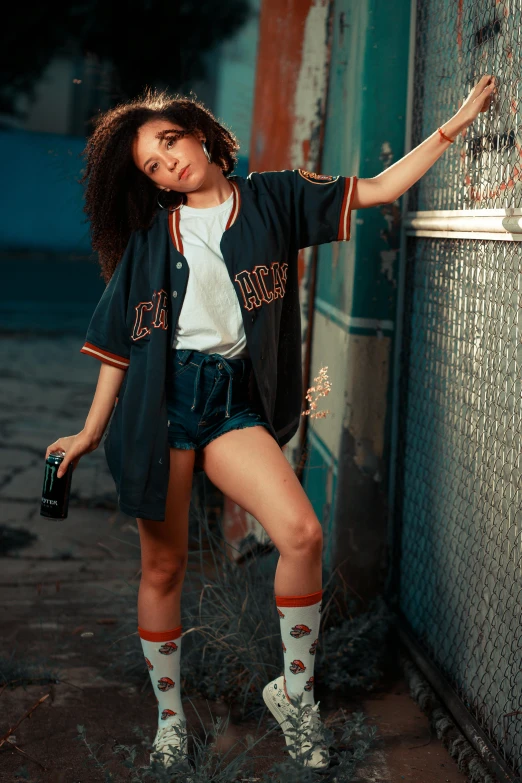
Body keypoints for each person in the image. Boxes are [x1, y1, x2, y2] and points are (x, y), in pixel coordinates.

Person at [45, 74, 496, 771]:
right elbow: (116, 346)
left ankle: (294, 693)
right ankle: (168, 721)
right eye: (154, 166)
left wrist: (454, 124)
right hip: (158, 405)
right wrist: (88, 431)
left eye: (170, 144)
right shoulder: (149, 237)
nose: (169, 164)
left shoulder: (276, 197)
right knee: (162, 568)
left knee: (300, 532)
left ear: (196, 129)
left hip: (229, 403)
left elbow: (377, 189)